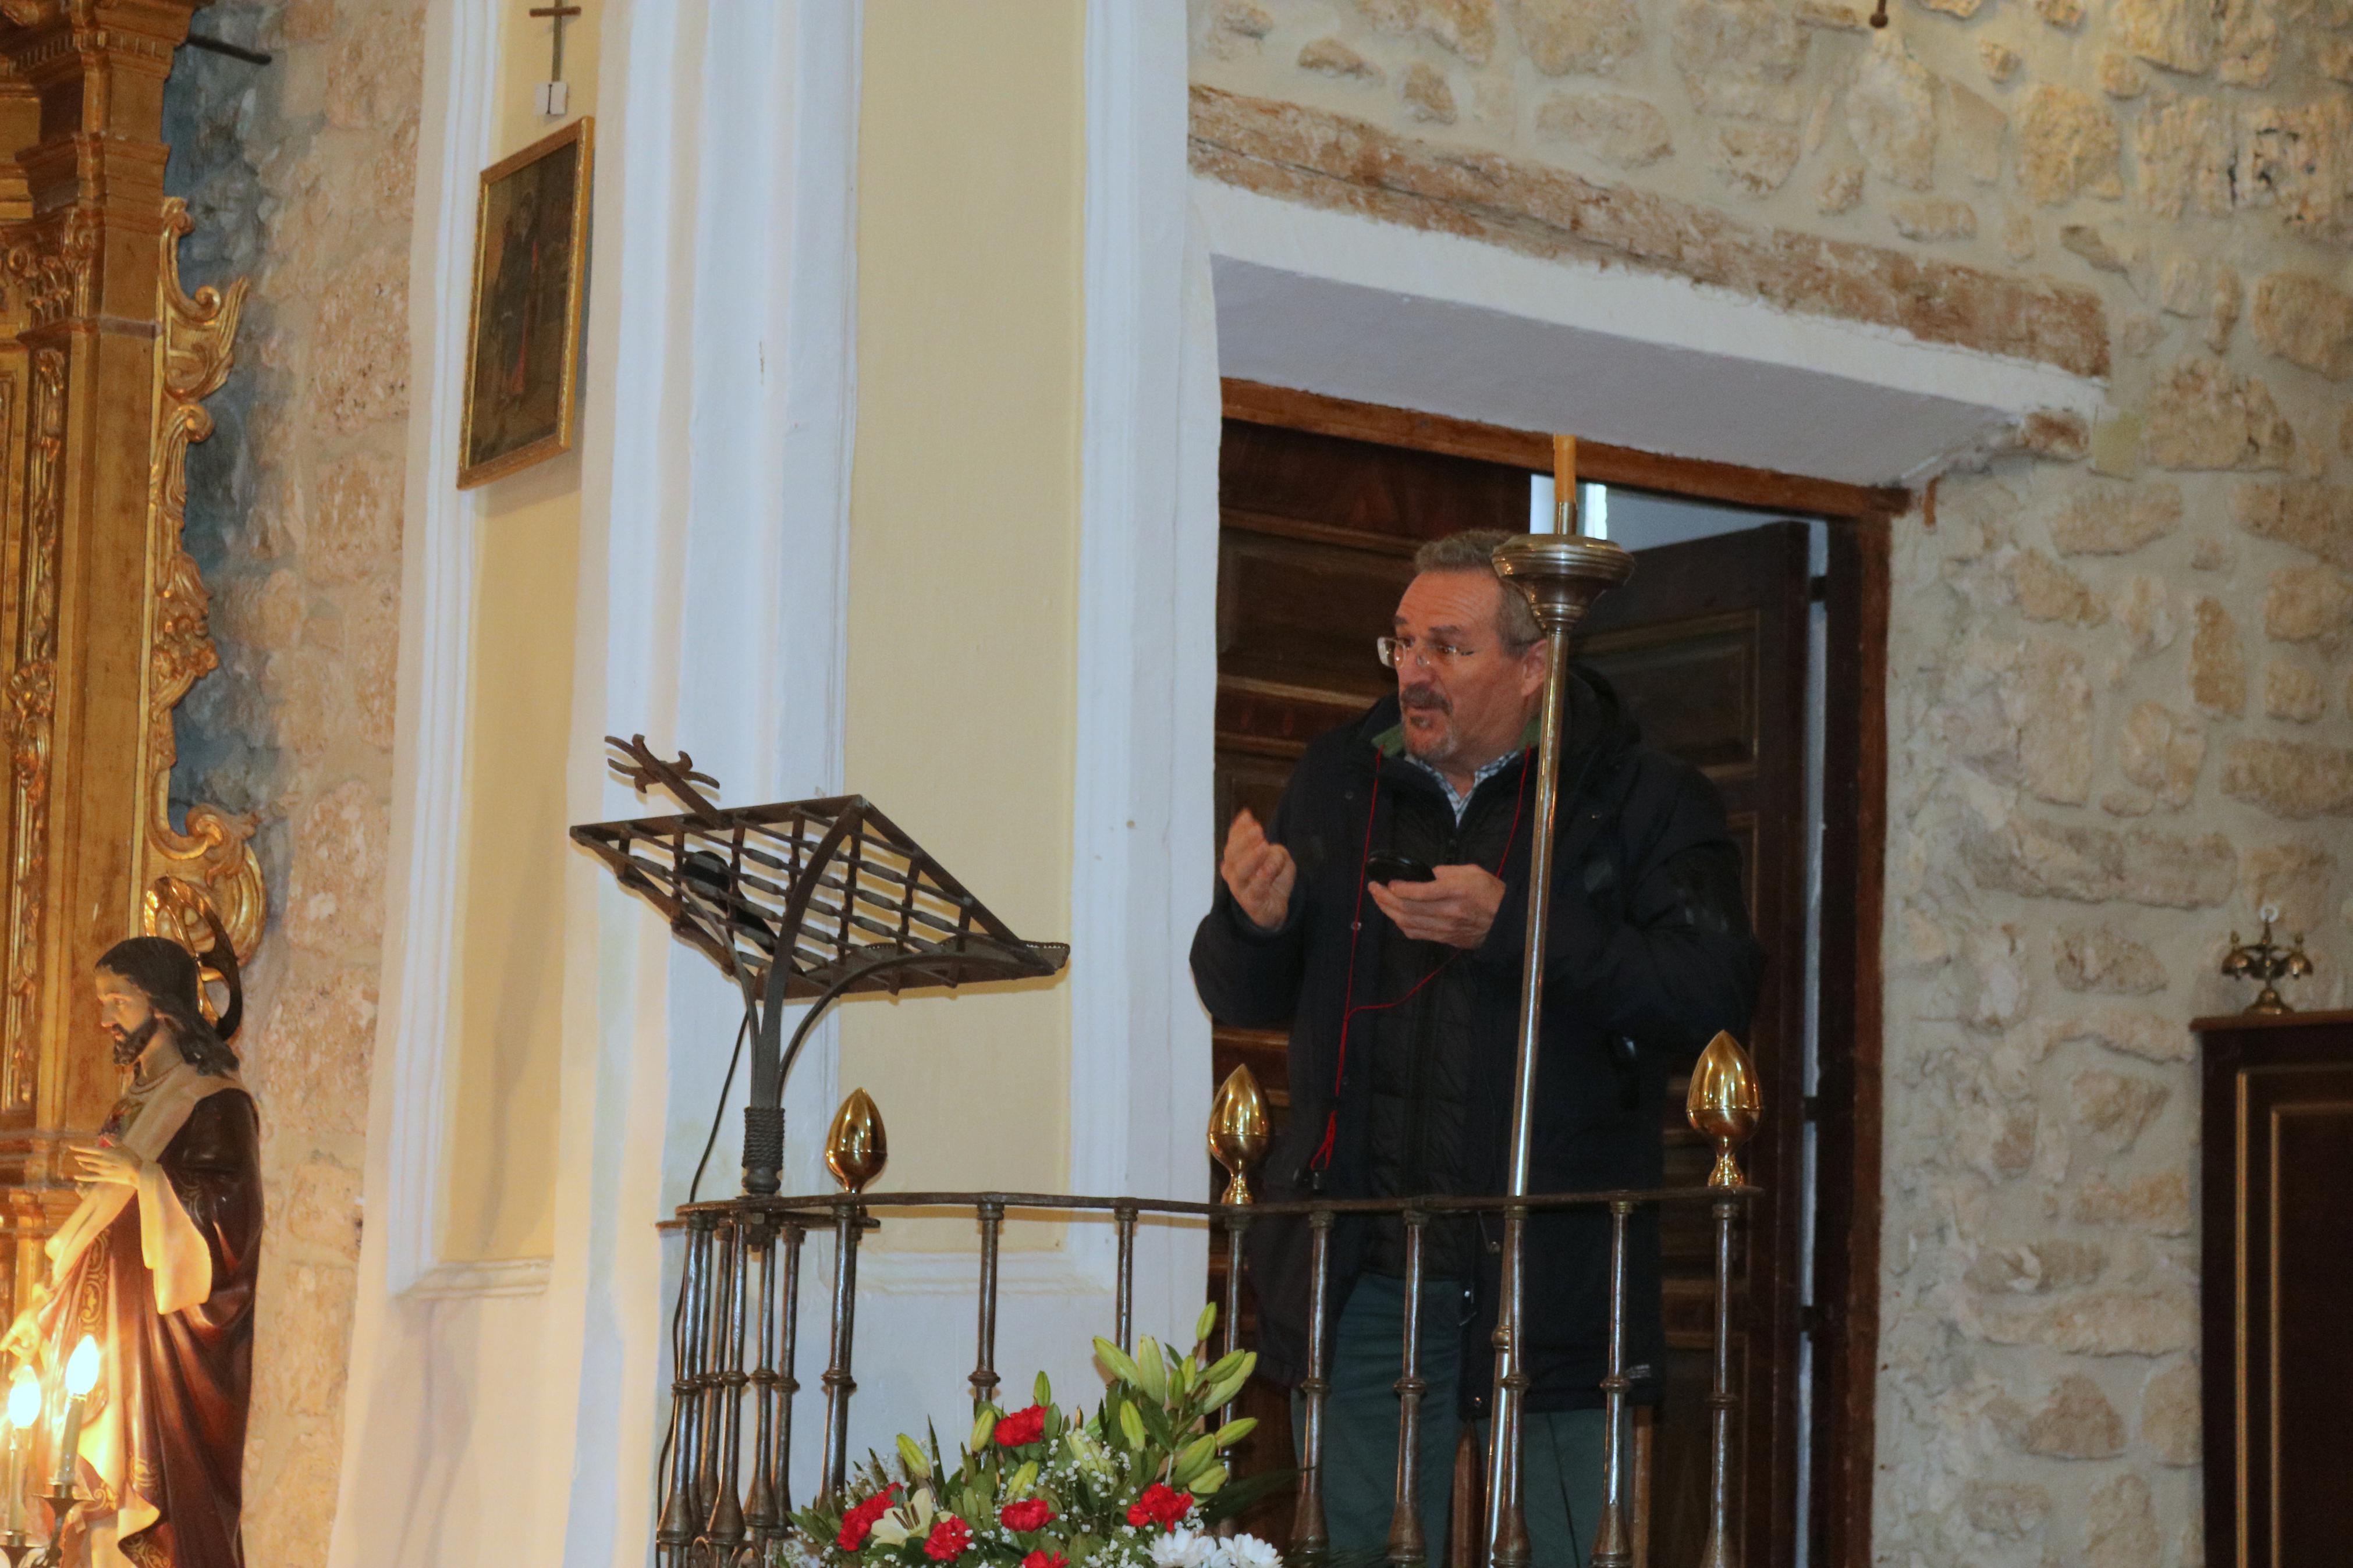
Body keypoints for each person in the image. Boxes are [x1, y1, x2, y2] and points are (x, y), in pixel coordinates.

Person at [1189, 530, 1762, 1564]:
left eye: (1446, 648)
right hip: (1365, 1268)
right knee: (1358, 1547)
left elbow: (1711, 990)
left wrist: (1518, 930)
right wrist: (1251, 922)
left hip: (1554, 1274)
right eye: (1401, 643)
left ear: (1533, 664)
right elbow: (1237, 994)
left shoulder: (1635, 796)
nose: (1412, 671)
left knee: (1561, 1546)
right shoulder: (1338, 777)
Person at [3, 937, 261, 1568]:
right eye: (101, 1001)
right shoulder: (137, 1100)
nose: (104, 1017)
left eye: (119, 1000)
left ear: (167, 1007)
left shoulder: (214, 1101)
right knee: (81, 1500)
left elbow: (234, 1214)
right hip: (101, 1327)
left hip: (160, 1345)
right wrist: (42, 1311)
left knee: (151, 1494)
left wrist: (145, 1179)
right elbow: (96, 1224)